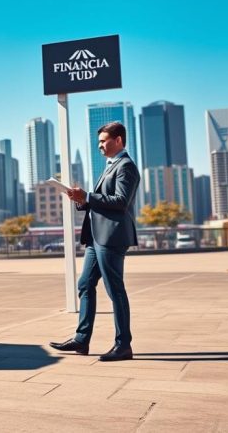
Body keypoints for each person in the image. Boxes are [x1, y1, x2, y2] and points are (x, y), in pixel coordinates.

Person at [50, 121, 140, 362]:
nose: (99, 145)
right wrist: (81, 200)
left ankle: (123, 345)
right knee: (85, 284)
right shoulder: (111, 166)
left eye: (103, 141)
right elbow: (102, 200)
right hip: (96, 237)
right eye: (98, 141)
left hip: (111, 237)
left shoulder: (126, 166)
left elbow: (121, 201)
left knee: (115, 289)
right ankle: (81, 340)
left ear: (118, 140)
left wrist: (88, 196)